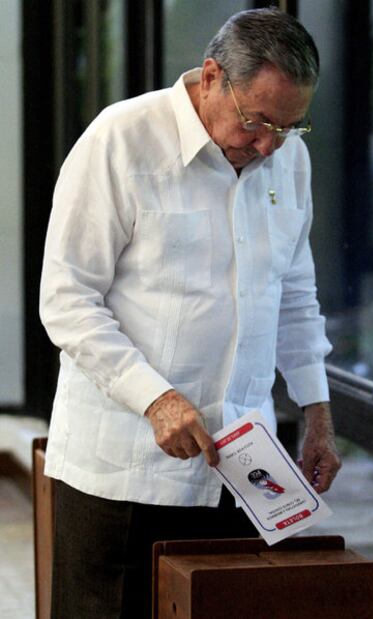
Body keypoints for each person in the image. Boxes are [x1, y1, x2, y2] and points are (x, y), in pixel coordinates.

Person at [40, 6, 341, 618]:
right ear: (211, 77)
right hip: (122, 472)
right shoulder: (119, 140)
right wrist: (156, 398)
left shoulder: (288, 159)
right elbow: (67, 299)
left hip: (240, 471)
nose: (267, 146)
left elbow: (294, 294)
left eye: (289, 126)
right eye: (256, 121)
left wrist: (317, 413)